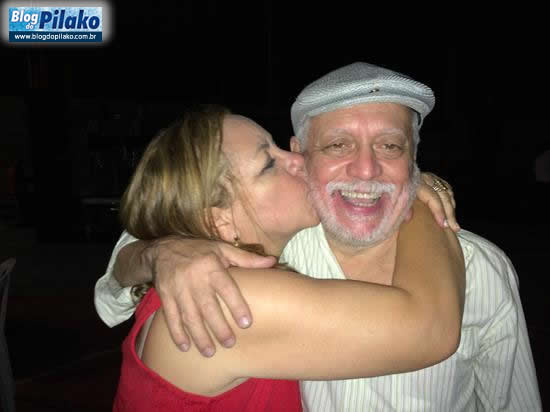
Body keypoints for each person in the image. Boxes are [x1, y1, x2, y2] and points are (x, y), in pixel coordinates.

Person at [98, 62, 542, 410]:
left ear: (413, 156)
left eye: (391, 147)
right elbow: (429, 330)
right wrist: (420, 203)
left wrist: (158, 252)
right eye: (337, 146)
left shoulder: (479, 266)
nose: (366, 169)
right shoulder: (222, 294)